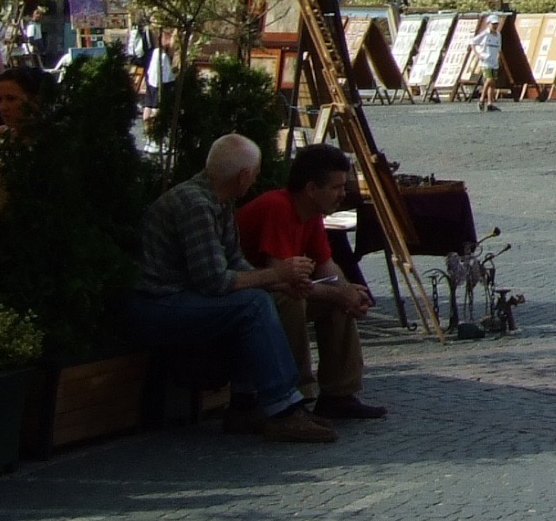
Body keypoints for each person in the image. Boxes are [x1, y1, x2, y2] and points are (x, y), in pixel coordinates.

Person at [124, 135, 334, 443]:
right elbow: (215, 281)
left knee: (261, 297)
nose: (256, 179)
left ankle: (246, 404)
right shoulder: (196, 205)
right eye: (256, 173)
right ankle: (283, 409)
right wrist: (277, 273)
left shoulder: (219, 203)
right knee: (253, 305)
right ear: (244, 176)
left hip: (179, 296)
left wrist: (282, 281)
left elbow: (236, 263)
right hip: (158, 301)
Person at [236, 142, 385, 421]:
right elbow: (279, 279)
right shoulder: (277, 207)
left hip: (281, 287)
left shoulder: (312, 214)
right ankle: (296, 395)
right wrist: (336, 294)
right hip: (252, 294)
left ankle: (339, 394)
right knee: (291, 301)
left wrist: (347, 292)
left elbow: (327, 266)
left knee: (340, 300)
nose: (343, 194)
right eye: (336, 187)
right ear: (311, 189)